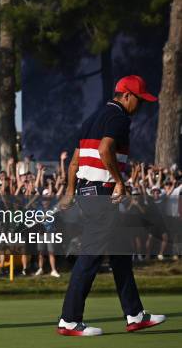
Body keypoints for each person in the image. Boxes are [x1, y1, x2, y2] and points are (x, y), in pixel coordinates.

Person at [57, 75, 166, 336]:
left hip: (87, 192)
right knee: (90, 257)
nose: (139, 105)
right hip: (101, 195)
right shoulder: (119, 118)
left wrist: (70, 192)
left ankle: (135, 314)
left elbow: (74, 162)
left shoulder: (92, 119)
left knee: (120, 254)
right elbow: (106, 150)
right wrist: (120, 182)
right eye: (139, 100)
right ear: (126, 95)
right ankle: (69, 320)